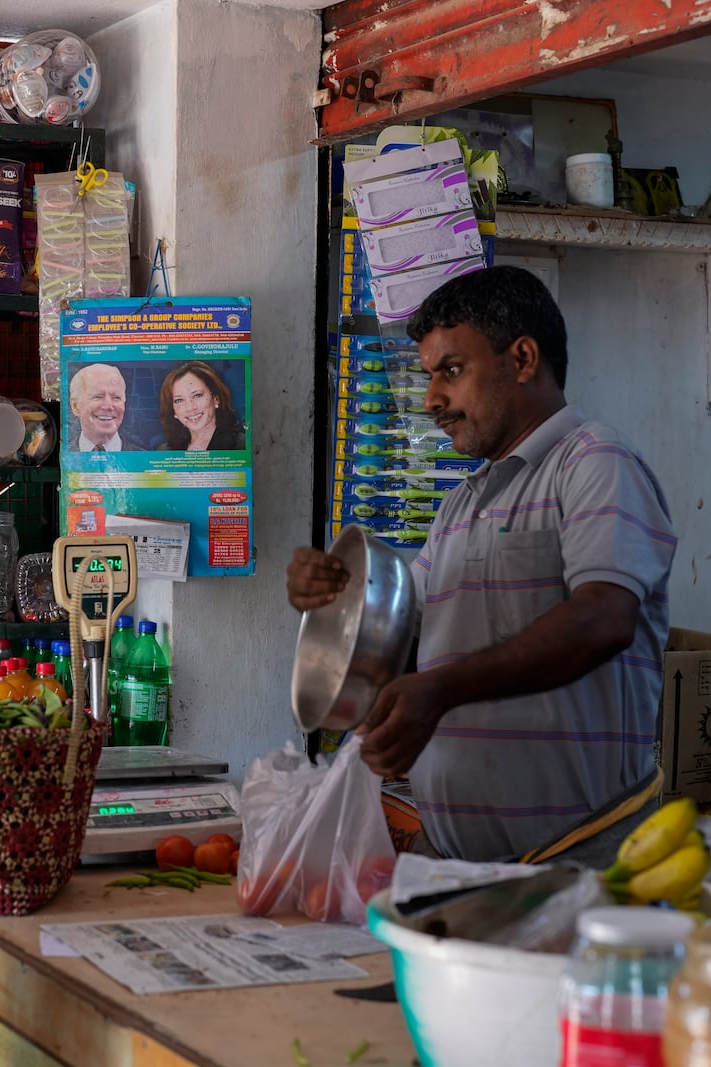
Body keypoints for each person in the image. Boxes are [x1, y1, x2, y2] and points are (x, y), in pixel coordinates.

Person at [286, 267, 677, 863]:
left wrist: (441, 690)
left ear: (521, 359)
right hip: (457, 864)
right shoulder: (461, 504)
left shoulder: (595, 461)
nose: (431, 399)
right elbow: (400, 631)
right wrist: (334, 595)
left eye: (451, 371)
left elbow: (604, 620)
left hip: (580, 863)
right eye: (428, 378)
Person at [157, 360, 246, 451]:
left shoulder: (241, 446)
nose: (190, 407)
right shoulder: (165, 451)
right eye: (179, 400)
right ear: (173, 410)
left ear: (216, 398)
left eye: (197, 395)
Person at [69, 362, 135, 451]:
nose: (108, 406)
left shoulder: (145, 459)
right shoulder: (63, 456)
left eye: (116, 397)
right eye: (98, 397)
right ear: (75, 405)